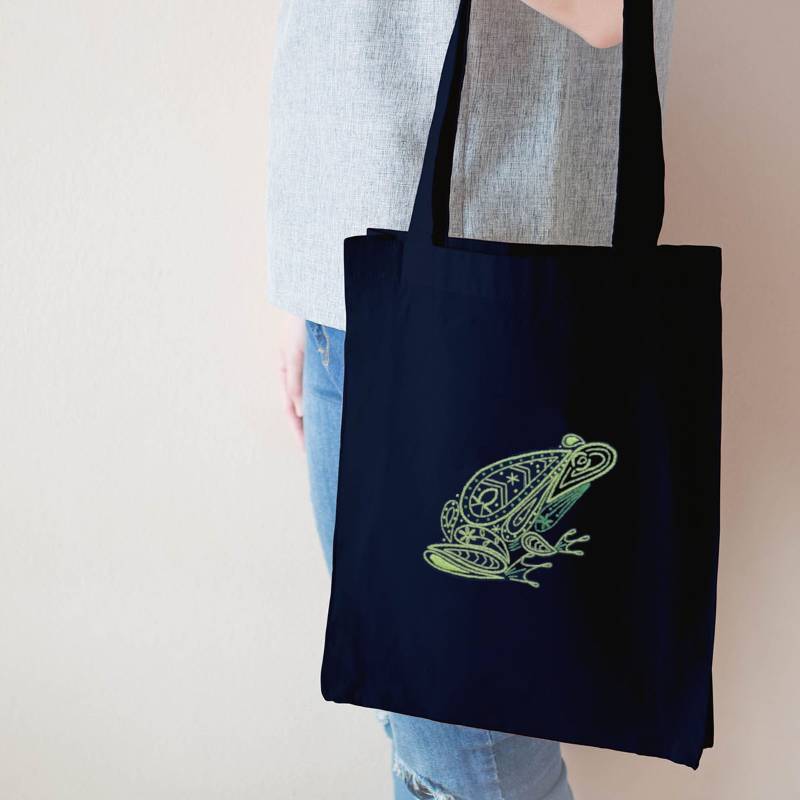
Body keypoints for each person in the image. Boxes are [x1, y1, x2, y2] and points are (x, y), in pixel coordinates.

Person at [269, 1, 674, 796]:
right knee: (418, 729)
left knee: (474, 765)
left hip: (492, 276)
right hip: (342, 268)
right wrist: (304, 271)